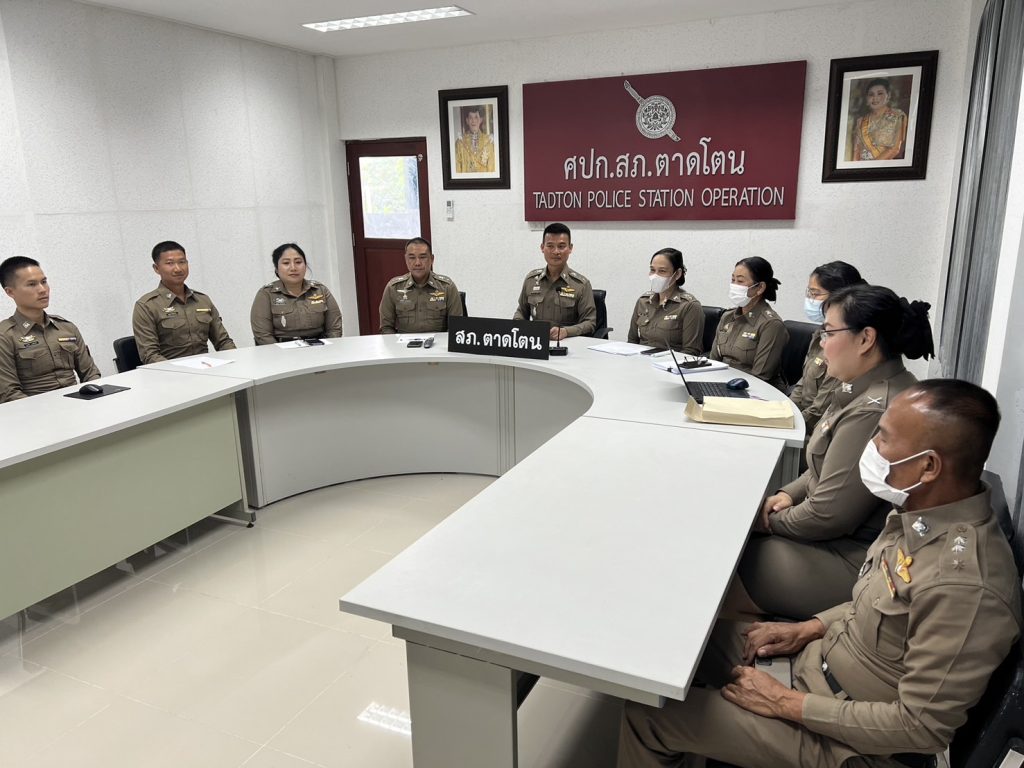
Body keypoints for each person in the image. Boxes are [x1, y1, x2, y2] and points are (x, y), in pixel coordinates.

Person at [618, 379, 1022, 768]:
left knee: (649, 718)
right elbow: (877, 605)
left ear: (928, 466)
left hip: (848, 743)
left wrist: (785, 703)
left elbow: (919, 729)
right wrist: (808, 628)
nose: (872, 446)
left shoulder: (966, 585)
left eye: (883, 438)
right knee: (679, 646)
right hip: (815, 663)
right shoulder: (919, 514)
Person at [738, 284, 934, 619]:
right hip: (832, 537)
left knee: (727, 558)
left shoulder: (873, 409)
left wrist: (767, 522)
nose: (821, 342)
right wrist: (787, 494)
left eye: (829, 332)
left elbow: (826, 516)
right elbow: (826, 466)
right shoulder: (861, 388)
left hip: (853, 557)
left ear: (866, 339)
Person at [0, 256, 100, 403]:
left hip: (78, 404)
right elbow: (9, 394)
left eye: (44, 282)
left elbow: (91, 374)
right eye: (32, 284)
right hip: (34, 410)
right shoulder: (5, 336)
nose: (42, 290)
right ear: (10, 292)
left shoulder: (66, 327)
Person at [790, 261, 866, 434]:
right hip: (800, 421)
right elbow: (802, 384)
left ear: (840, 297)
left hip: (815, 430)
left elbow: (819, 411)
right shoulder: (820, 333)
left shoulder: (846, 342)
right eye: (809, 293)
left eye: (816, 293)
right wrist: (785, 411)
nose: (810, 299)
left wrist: (787, 424)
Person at [132, 241, 236, 364]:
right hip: (169, 372)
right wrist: (181, 371)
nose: (178, 269)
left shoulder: (202, 300)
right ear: (156, 268)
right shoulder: (147, 306)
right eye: (170, 263)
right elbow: (150, 356)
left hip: (206, 368)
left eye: (182, 262)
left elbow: (223, 342)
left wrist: (235, 362)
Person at [710, 257, 788, 390]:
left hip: (752, 391)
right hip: (721, 384)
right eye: (733, 280)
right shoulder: (727, 317)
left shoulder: (771, 324)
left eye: (740, 281)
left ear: (760, 287)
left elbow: (760, 377)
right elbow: (713, 362)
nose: (734, 285)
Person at [513, 222, 597, 340]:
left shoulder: (581, 285)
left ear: (570, 248)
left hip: (568, 345)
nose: (556, 251)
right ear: (542, 247)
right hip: (536, 343)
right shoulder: (531, 280)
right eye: (550, 246)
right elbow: (521, 312)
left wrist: (566, 332)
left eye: (561, 246)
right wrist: (519, 327)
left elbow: (590, 322)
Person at [250, 243, 343, 345]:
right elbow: (262, 335)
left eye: (298, 262)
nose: (293, 268)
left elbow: (335, 328)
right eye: (286, 263)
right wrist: (279, 353)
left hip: (319, 348)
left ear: (305, 266)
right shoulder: (266, 294)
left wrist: (328, 348)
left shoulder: (320, 290)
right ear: (276, 269)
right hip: (280, 350)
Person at [379, 237, 463, 334]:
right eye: (412, 258)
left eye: (423, 257)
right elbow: (386, 327)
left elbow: (456, 327)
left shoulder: (447, 287)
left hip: (438, 342)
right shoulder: (394, 288)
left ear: (432, 259)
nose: (417, 263)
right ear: (406, 259)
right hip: (404, 343)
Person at [627, 248, 704, 354]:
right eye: (652, 270)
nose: (655, 276)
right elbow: (632, 341)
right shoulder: (643, 301)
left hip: (670, 362)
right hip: (640, 360)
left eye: (662, 271)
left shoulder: (689, 306)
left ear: (677, 274)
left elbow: (690, 351)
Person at [852, 78, 908, 162]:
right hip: (862, 166)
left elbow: (894, 149)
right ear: (867, 98)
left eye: (880, 93)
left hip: (883, 166)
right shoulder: (861, 121)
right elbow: (856, 151)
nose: (875, 98)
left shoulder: (897, 116)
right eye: (871, 94)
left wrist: (872, 166)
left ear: (888, 95)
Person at [454, 105, 495, 173]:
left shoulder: (488, 141)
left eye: (476, 117)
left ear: (480, 120)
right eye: (470, 118)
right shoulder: (460, 143)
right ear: (467, 121)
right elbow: (457, 168)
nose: (473, 121)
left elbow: (492, 168)